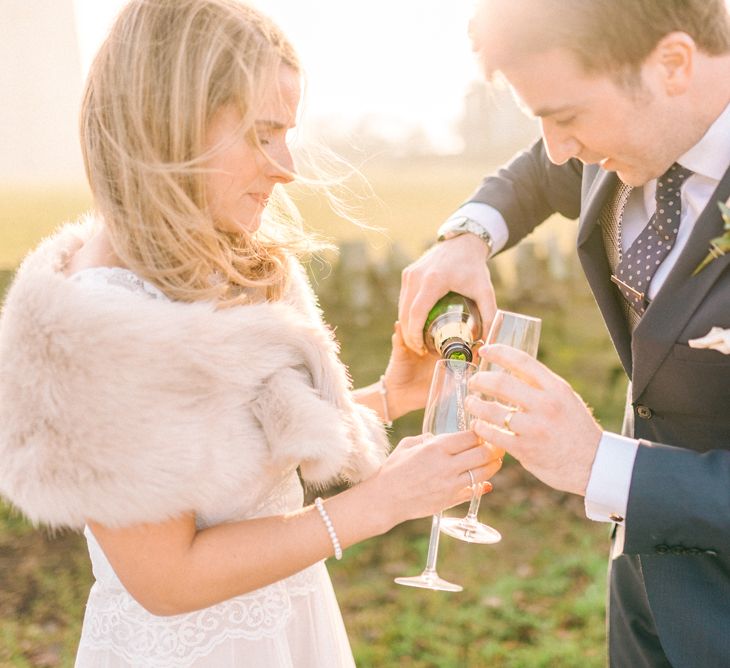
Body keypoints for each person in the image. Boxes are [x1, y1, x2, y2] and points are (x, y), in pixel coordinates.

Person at [0, 1, 501, 665]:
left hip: (286, 627)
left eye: (287, 133)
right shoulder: (95, 327)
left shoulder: (213, 264)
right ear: (171, 129)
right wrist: (378, 504)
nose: (286, 166)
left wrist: (390, 395)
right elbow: (167, 579)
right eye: (263, 135)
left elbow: (242, 459)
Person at [398, 1, 730, 666]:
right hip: (640, 599)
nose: (558, 146)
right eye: (540, 118)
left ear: (672, 64)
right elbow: (539, 173)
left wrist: (596, 464)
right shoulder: (619, 133)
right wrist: (466, 238)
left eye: (567, 116)